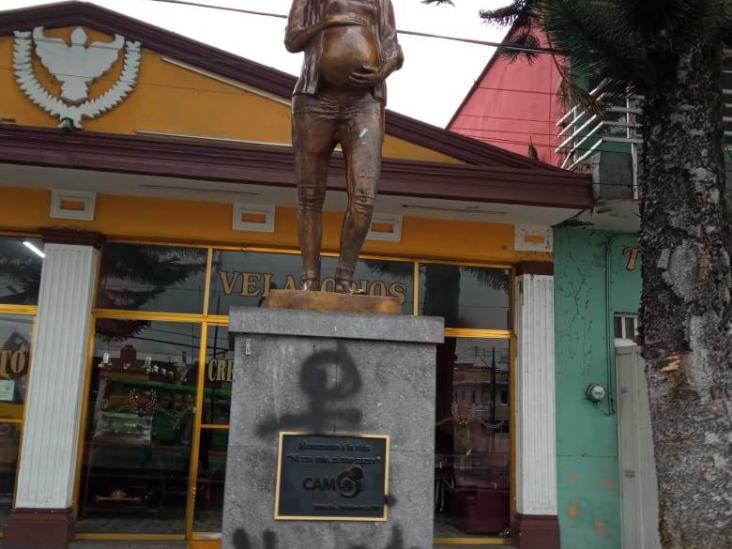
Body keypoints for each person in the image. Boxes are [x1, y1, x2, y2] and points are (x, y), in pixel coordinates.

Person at [285, 0, 404, 294]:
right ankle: (310, 281)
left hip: (364, 104)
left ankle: (344, 279)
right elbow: (291, 40)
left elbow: (394, 49)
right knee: (310, 197)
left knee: (364, 196)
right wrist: (326, 23)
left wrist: (383, 71)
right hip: (316, 100)